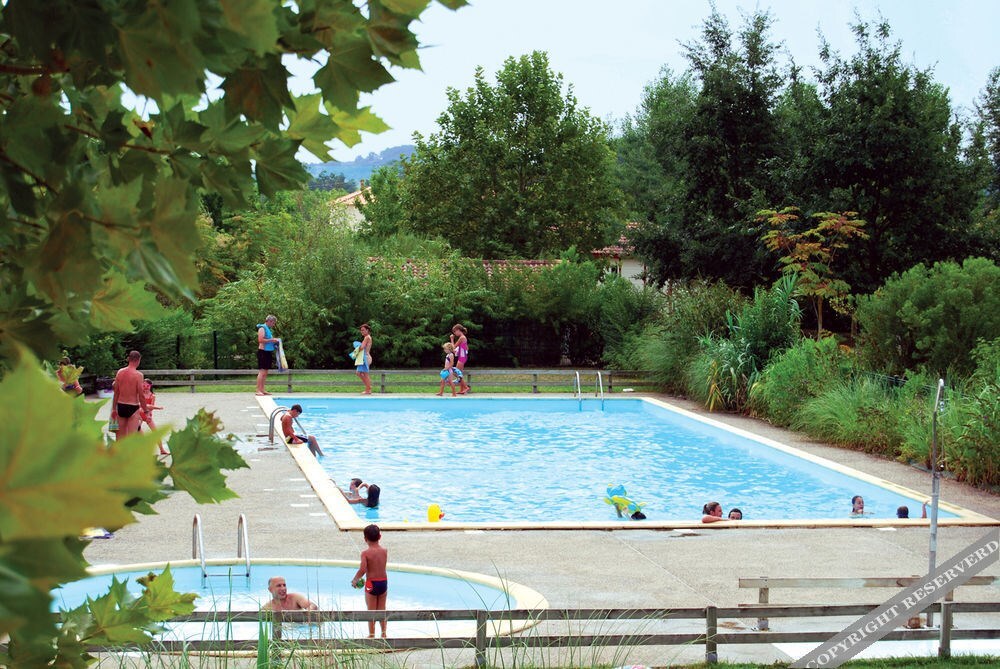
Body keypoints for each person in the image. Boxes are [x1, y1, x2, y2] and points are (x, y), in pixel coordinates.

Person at [352, 524, 388, 638]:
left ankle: (372, 635)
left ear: (365, 539)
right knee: (382, 610)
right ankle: (384, 634)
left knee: (371, 611)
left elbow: (363, 569)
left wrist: (355, 580)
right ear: (380, 536)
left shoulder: (365, 553)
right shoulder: (384, 551)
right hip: (383, 583)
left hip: (371, 584)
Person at [110, 351, 149, 439]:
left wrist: (114, 408)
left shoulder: (120, 372)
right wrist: (146, 411)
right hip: (133, 406)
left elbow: (116, 392)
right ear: (138, 360)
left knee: (120, 439)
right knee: (131, 438)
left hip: (121, 405)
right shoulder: (138, 375)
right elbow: (141, 395)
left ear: (129, 359)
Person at [139, 379, 168, 455]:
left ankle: (162, 449)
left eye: (147, 386)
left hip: (147, 414)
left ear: (150, 386)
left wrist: (149, 415)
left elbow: (151, 407)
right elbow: (140, 405)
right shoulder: (140, 394)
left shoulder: (152, 396)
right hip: (139, 415)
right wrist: (157, 408)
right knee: (137, 429)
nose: (145, 387)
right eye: (144, 385)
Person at [255, 314, 279, 396]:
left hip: (268, 352)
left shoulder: (268, 329)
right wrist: (272, 340)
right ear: (269, 321)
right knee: (262, 372)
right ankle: (258, 390)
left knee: (265, 372)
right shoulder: (262, 328)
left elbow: (269, 340)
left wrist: (275, 342)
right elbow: (260, 340)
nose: (273, 325)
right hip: (263, 352)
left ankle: (262, 389)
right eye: (273, 323)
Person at [450, 324, 470, 394]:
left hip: (462, 357)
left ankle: (466, 387)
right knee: (459, 373)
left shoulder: (462, 337)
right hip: (463, 356)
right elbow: (467, 348)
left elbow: (453, 348)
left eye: (455, 331)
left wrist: (452, 339)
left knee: (456, 373)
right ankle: (462, 390)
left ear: (458, 330)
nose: (454, 333)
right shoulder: (463, 337)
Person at [356, 323, 372, 395]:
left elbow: (362, 347)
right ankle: (368, 388)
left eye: (363, 330)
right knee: (359, 373)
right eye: (361, 330)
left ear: (367, 330)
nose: (361, 331)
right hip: (365, 357)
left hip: (366, 357)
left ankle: (368, 389)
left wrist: (356, 349)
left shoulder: (367, 337)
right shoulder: (367, 337)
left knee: (364, 374)